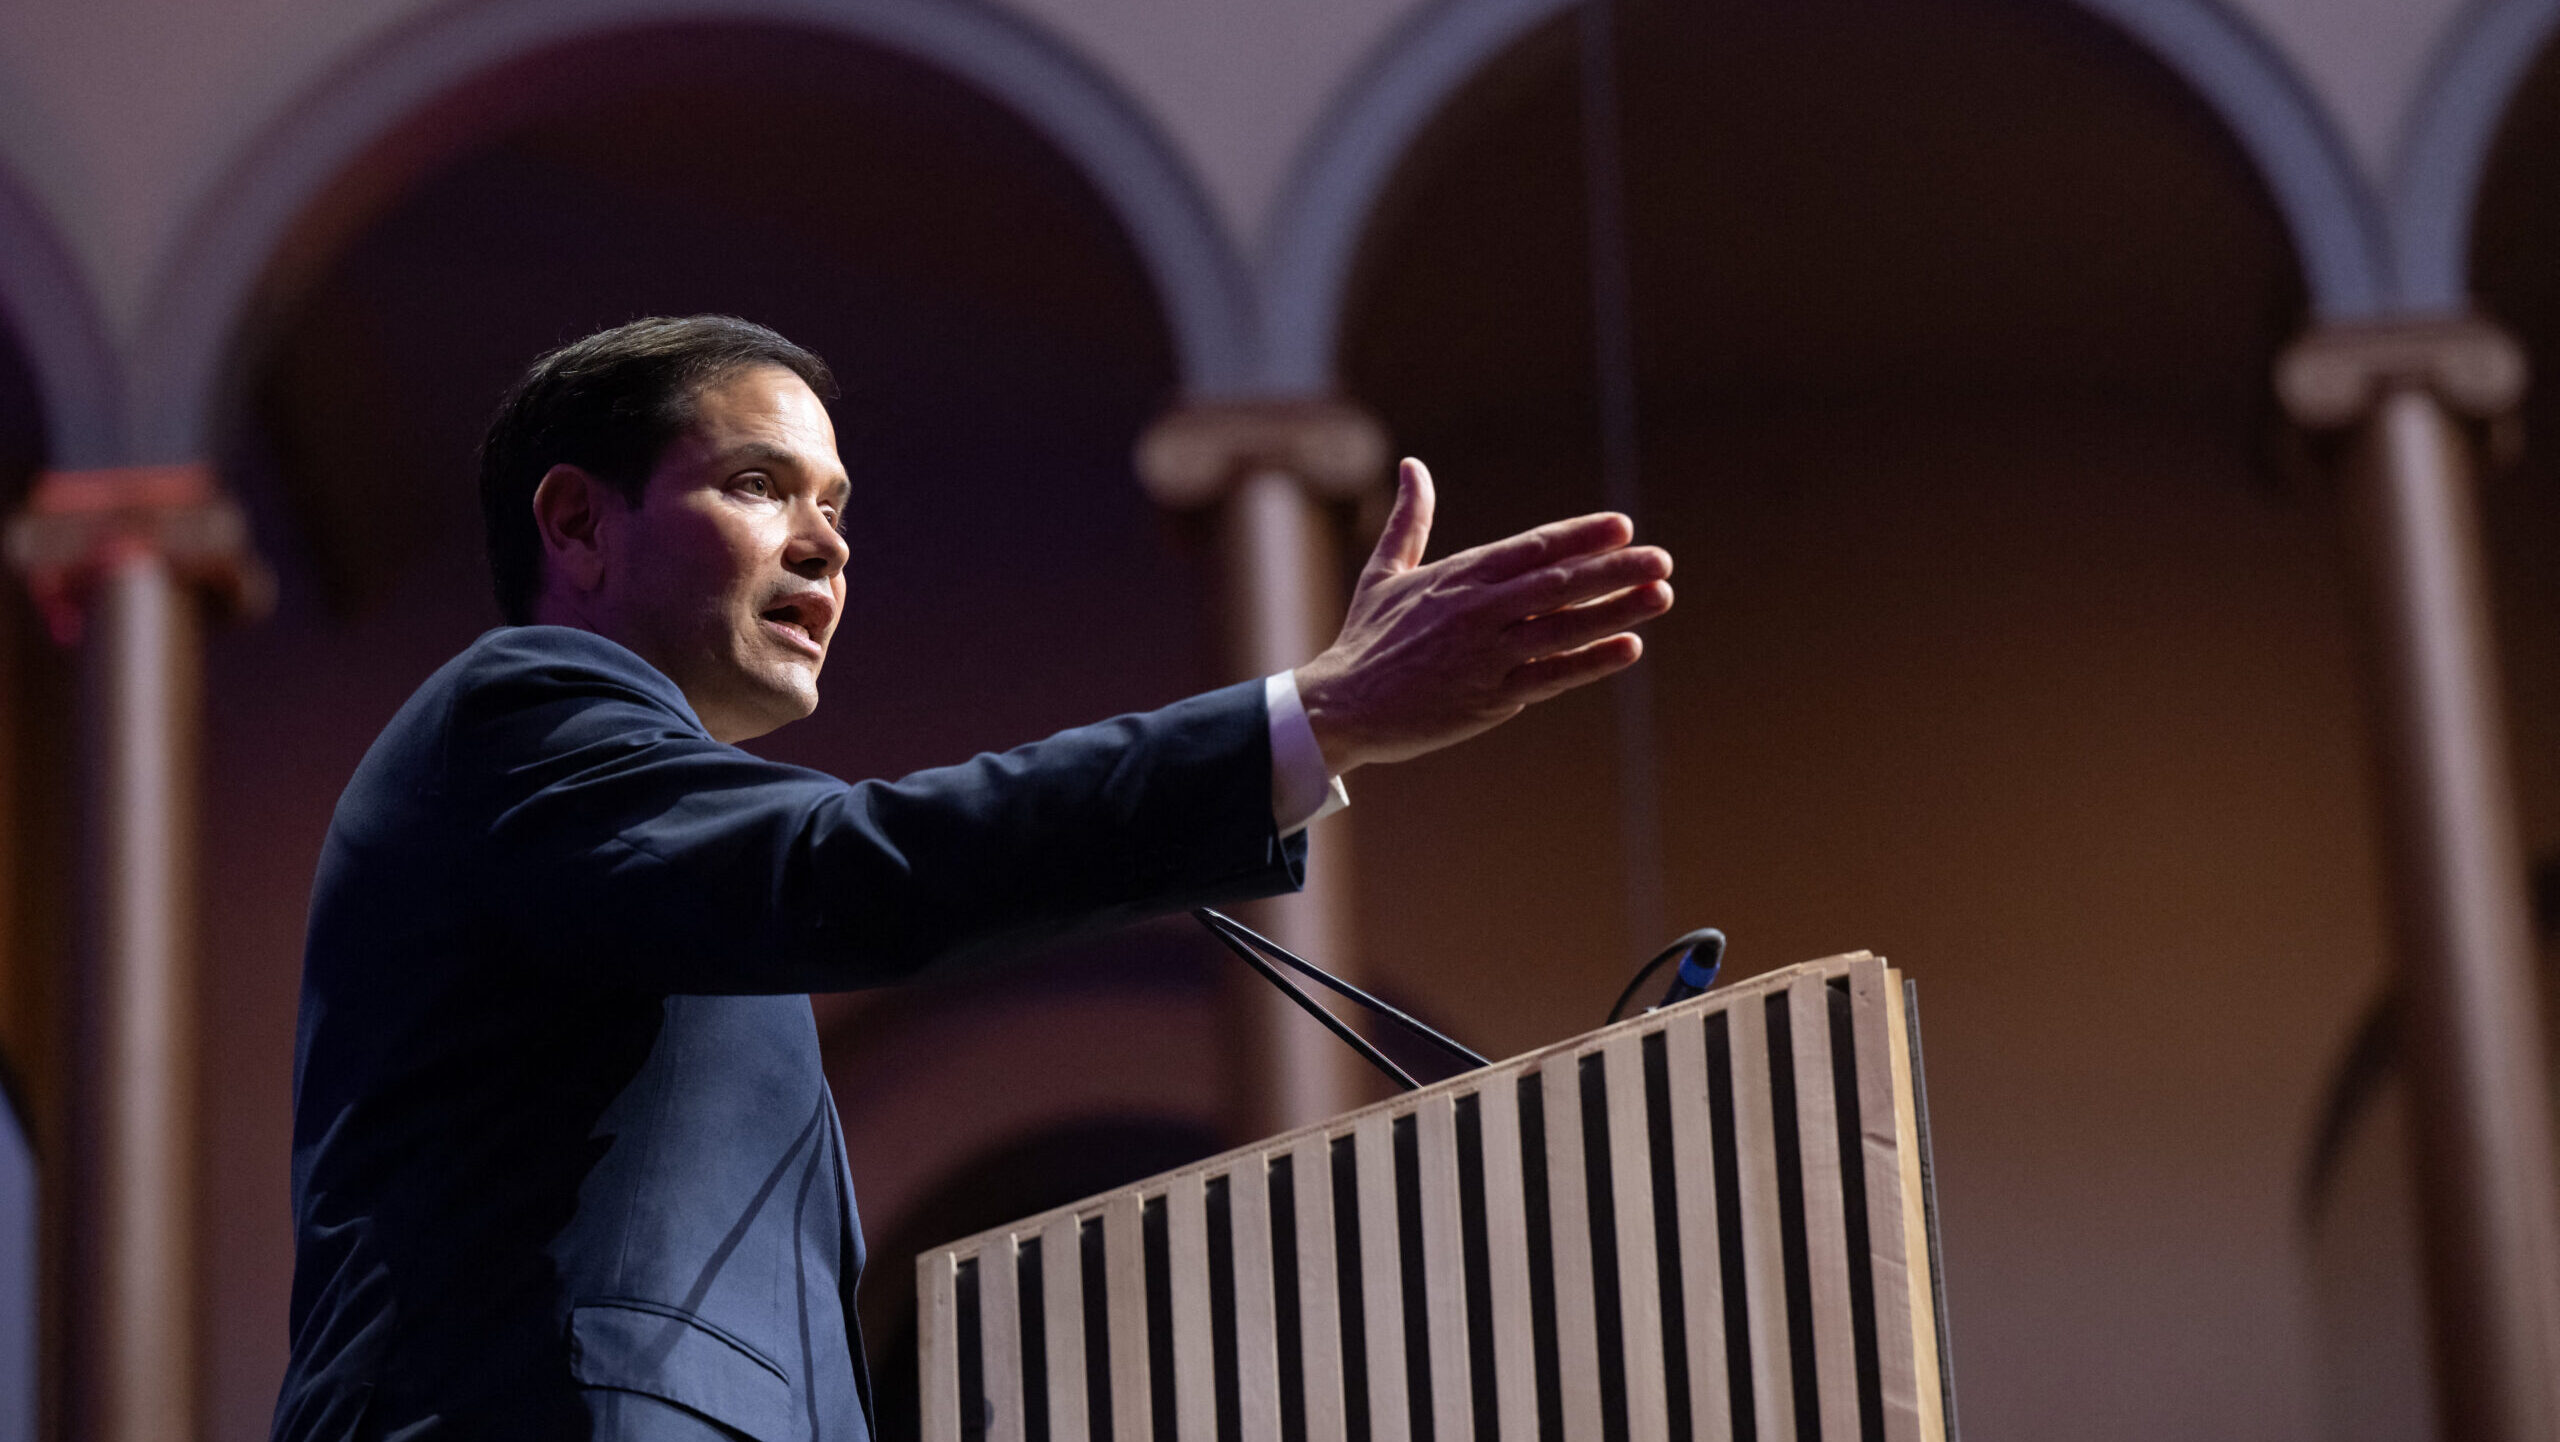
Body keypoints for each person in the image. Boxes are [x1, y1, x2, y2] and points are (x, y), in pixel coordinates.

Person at [269, 316, 1672, 1441]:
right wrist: (1315, 718)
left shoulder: (627, 851)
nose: (827, 543)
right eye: (759, 485)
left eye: (837, 504)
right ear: (576, 523)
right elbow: (856, 866)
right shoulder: (521, 709)